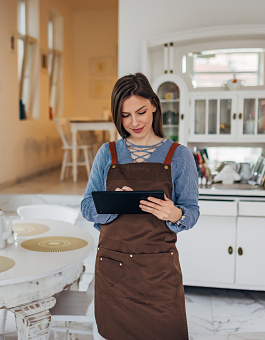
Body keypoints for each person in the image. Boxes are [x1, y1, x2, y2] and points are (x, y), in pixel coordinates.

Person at [80, 73, 199, 340]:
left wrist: (174, 213)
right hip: (114, 274)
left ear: (154, 106)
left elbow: (192, 211)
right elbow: (87, 206)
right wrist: (114, 204)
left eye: (141, 112)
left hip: (159, 273)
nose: (134, 122)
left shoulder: (179, 156)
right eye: (125, 115)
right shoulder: (107, 154)